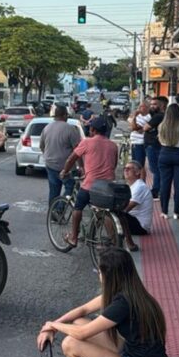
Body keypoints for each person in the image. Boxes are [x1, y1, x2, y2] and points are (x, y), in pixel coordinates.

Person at [37, 247, 167, 357]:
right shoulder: (129, 291)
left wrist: (53, 326)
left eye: (99, 271)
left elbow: (82, 333)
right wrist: (51, 326)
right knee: (79, 321)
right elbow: (83, 310)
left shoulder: (123, 303)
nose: (98, 274)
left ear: (110, 276)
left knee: (70, 345)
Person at [59, 117, 131, 250]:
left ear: (92, 129)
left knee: (78, 207)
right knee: (107, 209)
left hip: (90, 185)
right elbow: (114, 165)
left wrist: (65, 171)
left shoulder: (87, 142)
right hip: (108, 187)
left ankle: (73, 237)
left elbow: (71, 159)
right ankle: (119, 240)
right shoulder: (113, 145)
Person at [40, 106, 82, 203]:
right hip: (66, 167)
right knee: (70, 188)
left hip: (50, 165)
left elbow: (42, 146)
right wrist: (81, 166)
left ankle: (53, 210)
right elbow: (77, 150)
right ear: (64, 115)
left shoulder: (47, 128)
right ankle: (60, 207)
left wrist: (48, 156)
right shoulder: (70, 129)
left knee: (53, 191)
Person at [157, 103, 179, 220]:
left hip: (165, 153)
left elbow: (160, 140)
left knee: (164, 183)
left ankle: (164, 211)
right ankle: (177, 212)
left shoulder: (161, 126)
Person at [141, 97, 167, 199]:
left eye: (155, 104)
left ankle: (156, 190)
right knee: (156, 169)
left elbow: (145, 127)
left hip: (153, 145)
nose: (152, 106)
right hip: (154, 144)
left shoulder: (159, 116)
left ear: (161, 105)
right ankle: (158, 189)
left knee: (155, 169)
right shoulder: (157, 116)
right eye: (151, 104)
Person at [120, 161, 153, 235]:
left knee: (109, 215)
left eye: (129, 168)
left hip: (140, 226)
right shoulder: (131, 185)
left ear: (137, 172)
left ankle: (114, 239)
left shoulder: (140, 187)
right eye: (125, 168)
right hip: (134, 220)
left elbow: (127, 208)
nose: (126, 170)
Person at [128, 101, 150, 171]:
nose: (139, 108)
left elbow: (134, 128)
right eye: (139, 106)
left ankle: (141, 177)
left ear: (147, 108)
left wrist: (134, 117)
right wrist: (133, 120)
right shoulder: (139, 116)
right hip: (134, 142)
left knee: (139, 165)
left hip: (140, 143)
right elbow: (129, 122)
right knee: (134, 164)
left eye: (141, 106)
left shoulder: (147, 117)